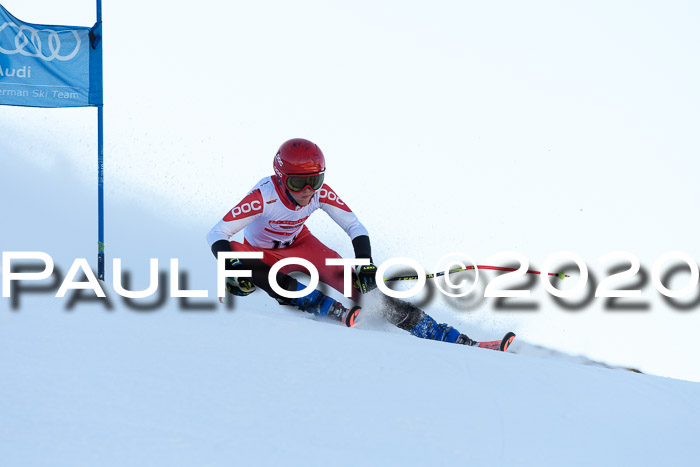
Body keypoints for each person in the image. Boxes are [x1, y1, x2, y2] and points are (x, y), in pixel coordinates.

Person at [206, 138, 487, 346]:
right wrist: (232, 263)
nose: (307, 192)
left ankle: (447, 336)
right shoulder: (262, 196)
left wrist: (365, 264)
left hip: (302, 245)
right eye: (296, 184)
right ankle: (321, 304)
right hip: (260, 252)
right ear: (281, 179)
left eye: (315, 181)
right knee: (240, 263)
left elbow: (354, 226)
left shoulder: (320, 193)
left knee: (367, 290)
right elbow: (216, 233)